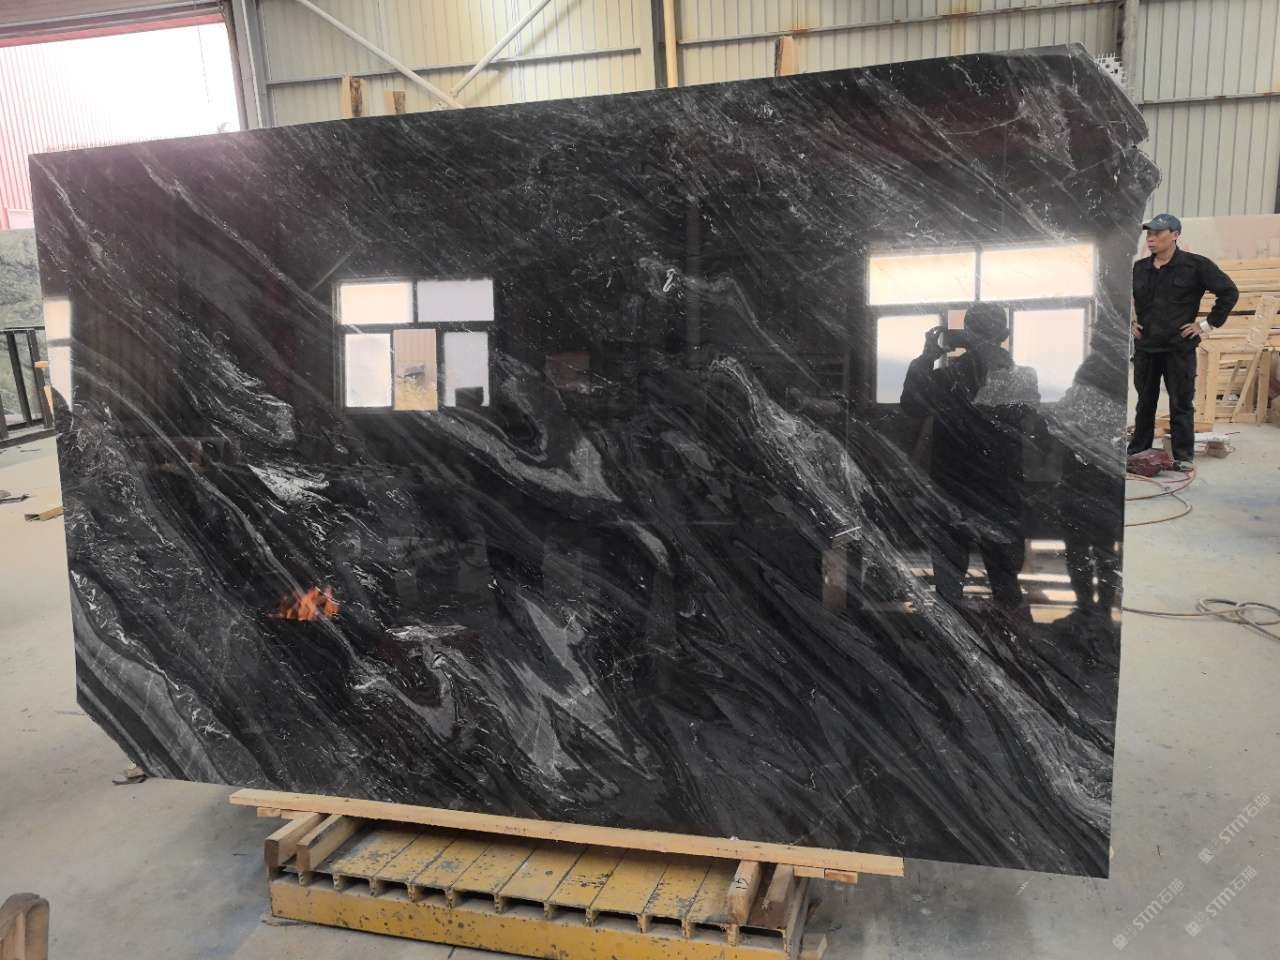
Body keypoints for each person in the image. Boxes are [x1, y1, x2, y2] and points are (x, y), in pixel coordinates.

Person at [900, 303, 1040, 612]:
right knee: (1005, 582)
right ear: (1005, 333)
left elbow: (911, 405)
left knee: (950, 583)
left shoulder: (947, 378)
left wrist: (927, 357)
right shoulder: (1023, 378)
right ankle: (1009, 638)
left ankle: (953, 637)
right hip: (998, 488)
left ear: (965, 334)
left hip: (954, 485)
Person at [1129, 214, 1239, 469]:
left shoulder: (1195, 266)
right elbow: (1127, 298)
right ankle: (1138, 452)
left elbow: (1229, 292)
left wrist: (1206, 325)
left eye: (1157, 233)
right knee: (1145, 403)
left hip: (1178, 349)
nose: (1150, 238)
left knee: (1180, 403)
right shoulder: (1140, 268)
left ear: (1175, 235)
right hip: (1146, 348)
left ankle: (1182, 457)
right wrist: (1131, 322)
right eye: (1148, 234)